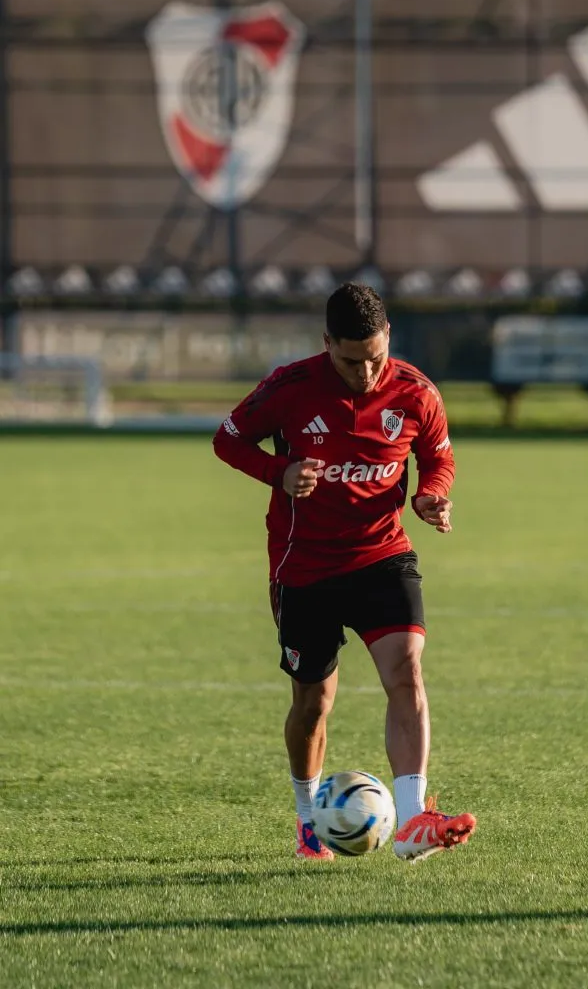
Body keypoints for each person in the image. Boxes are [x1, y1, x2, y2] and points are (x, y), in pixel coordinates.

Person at [213, 283, 476, 862]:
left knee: (406, 669)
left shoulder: (415, 392)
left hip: (383, 554)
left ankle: (413, 821)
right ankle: (310, 820)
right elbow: (228, 441)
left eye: (375, 357)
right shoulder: (289, 387)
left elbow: (437, 455)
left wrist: (431, 494)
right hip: (304, 565)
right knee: (313, 702)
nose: (366, 372)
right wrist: (280, 472)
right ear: (326, 343)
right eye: (351, 361)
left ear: (389, 338)